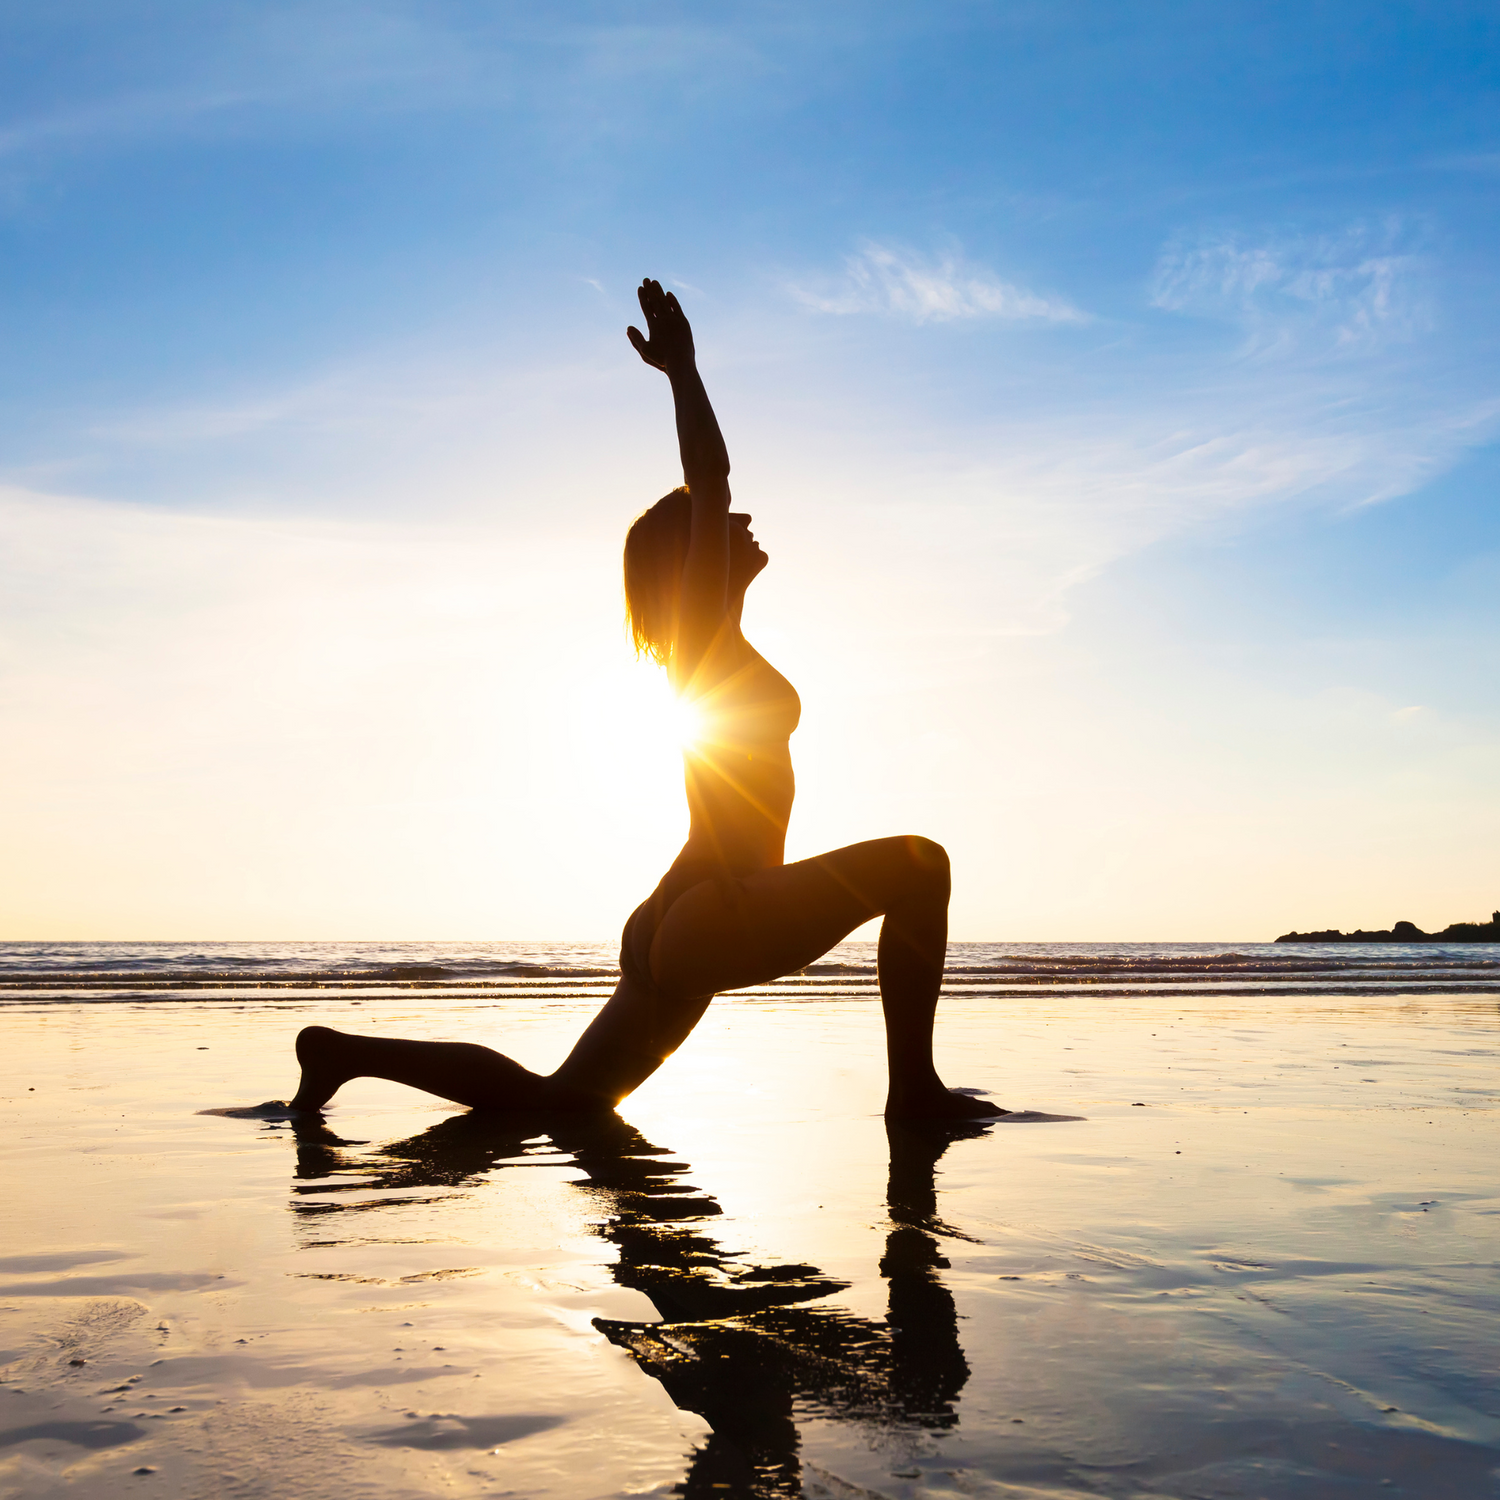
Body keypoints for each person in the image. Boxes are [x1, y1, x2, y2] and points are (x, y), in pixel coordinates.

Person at [286, 280, 1003, 1120]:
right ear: (689, 557)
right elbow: (713, 478)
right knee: (921, 864)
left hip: (685, 907)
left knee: (562, 1103)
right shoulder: (701, 641)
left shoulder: (713, 647)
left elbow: (717, 497)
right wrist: (683, 373)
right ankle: (914, 1093)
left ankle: (342, 1054)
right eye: (714, 525)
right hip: (722, 907)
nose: (740, 521)